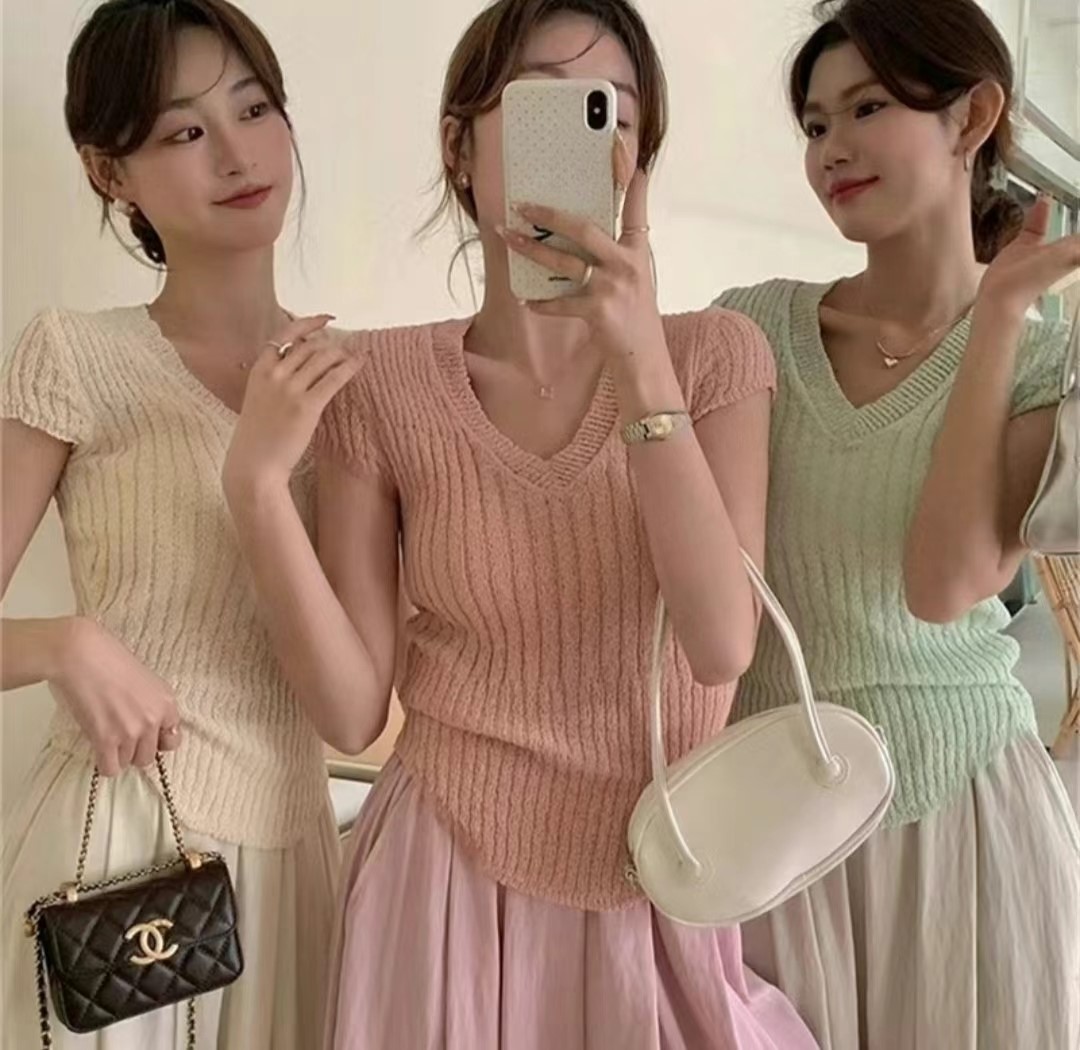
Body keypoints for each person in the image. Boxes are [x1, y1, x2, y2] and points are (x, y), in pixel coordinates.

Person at [221, 1, 818, 1047]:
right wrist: (259, 492)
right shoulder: (381, 386)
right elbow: (351, 714)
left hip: (662, 878)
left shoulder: (714, 356)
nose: (593, 134)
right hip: (443, 881)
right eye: (550, 103)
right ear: (461, 147)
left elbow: (722, 644)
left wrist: (640, 361)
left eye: (616, 111)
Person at [713, 1, 1080, 1045]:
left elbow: (942, 584)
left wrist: (996, 319)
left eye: (867, 108)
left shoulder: (1047, 359)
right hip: (772, 814)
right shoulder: (750, 328)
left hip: (960, 819)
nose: (832, 149)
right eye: (815, 124)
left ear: (974, 117)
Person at [1, 2, 344, 1044]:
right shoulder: (76, 356)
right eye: (185, 130)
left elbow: (366, 686)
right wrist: (65, 644)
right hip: (120, 857)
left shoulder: (349, 384)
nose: (237, 153)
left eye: (255, 108)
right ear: (110, 172)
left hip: (299, 850)